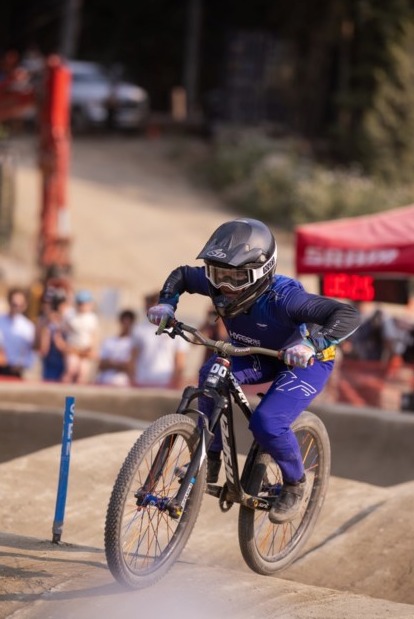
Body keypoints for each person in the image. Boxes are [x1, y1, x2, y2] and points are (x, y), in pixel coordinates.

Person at [146, 218, 360, 523]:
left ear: (261, 273)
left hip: (306, 360)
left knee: (267, 423)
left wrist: (313, 343)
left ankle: (295, 484)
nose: (223, 286)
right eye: (218, 275)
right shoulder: (216, 282)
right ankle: (211, 457)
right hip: (257, 354)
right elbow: (181, 274)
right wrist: (167, 305)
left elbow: (347, 313)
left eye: (236, 279)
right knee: (211, 374)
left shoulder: (286, 299)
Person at [131, 290, 189, 388]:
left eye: (153, 302)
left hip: (165, 383)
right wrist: (133, 381)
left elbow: (180, 362)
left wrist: (174, 383)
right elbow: (132, 358)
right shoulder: (139, 329)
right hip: (142, 382)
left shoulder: (177, 329)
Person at [0, 287, 36, 377]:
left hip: (15, 371)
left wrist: (23, 365)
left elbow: (30, 354)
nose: (17, 307)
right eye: (14, 304)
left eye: (20, 304)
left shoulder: (29, 327)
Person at [62, 289, 100, 383]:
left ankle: (77, 396)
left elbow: (93, 335)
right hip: (73, 348)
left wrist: (92, 349)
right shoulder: (70, 315)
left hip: (85, 350)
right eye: (80, 303)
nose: (83, 306)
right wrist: (65, 346)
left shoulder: (92, 318)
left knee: (83, 373)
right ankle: (64, 394)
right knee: (71, 369)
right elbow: (63, 332)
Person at [94, 309, 136, 386]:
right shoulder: (109, 341)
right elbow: (101, 364)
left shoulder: (134, 343)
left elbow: (130, 366)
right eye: (124, 322)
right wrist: (118, 364)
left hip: (123, 383)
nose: (126, 325)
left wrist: (111, 363)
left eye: (129, 322)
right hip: (104, 381)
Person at [38, 295, 70, 382]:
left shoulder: (71, 322)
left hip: (67, 369)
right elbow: (43, 350)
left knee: (69, 395)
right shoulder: (46, 324)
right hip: (51, 368)